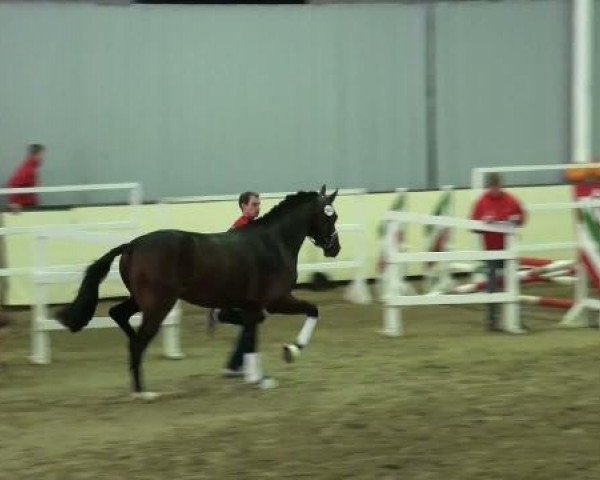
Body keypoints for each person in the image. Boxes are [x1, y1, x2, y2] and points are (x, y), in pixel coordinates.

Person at [207, 191, 263, 377]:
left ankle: (234, 366)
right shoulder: (241, 228)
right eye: (254, 204)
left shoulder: (251, 226)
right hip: (233, 287)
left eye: (258, 204)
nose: (257, 207)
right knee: (252, 321)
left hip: (239, 287)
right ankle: (241, 367)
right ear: (243, 206)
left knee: (252, 322)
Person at [470, 172, 526, 331]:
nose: (496, 189)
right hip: (491, 250)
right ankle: (492, 321)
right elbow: (473, 226)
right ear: (488, 187)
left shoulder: (511, 199)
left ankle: (516, 319)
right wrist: (484, 223)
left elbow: (523, 217)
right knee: (492, 285)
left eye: (498, 186)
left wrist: (516, 219)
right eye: (493, 186)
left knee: (513, 284)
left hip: (508, 248)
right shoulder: (481, 202)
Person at [6, 144, 45, 212]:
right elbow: (13, 184)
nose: (43, 157)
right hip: (25, 207)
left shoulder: (32, 168)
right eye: (41, 155)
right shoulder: (27, 169)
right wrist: (14, 203)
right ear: (36, 155)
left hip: (30, 204)